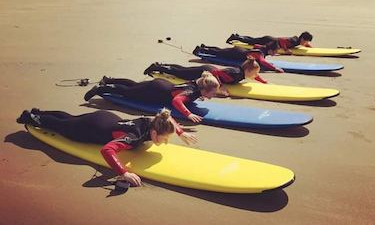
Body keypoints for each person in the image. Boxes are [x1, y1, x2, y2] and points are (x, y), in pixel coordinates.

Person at [17, 108, 197, 187]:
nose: (165, 143)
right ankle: (30, 117)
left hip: (106, 117)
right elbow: (107, 150)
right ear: (155, 134)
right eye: (165, 139)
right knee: (63, 127)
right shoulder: (134, 137)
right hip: (92, 129)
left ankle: (39, 111)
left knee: (71, 118)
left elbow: (168, 119)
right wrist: (123, 172)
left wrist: (181, 132)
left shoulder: (154, 120)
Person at [84, 73, 220, 123]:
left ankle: (109, 79)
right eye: (213, 93)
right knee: (128, 93)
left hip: (162, 84)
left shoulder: (199, 82)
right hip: (155, 91)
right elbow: (176, 101)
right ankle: (101, 89)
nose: (213, 96)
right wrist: (188, 114)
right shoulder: (192, 92)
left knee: (135, 85)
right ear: (204, 90)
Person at [143, 59, 266, 97]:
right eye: (255, 74)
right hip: (205, 71)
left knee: (183, 70)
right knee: (181, 73)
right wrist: (221, 88)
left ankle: (161, 66)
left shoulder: (243, 72)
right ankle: (158, 67)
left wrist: (263, 81)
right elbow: (217, 73)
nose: (255, 76)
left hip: (208, 70)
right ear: (248, 70)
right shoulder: (236, 74)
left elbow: (255, 76)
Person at [193, 42, 284, 73]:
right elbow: (263, 62)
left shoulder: (262, 48)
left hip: (240, 50)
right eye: (275, 51)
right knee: (219, 53)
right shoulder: (261, 53)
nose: (275, 53)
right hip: (236, 53)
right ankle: (200, 50)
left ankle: (205, 47)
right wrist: (275, 68)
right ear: (270, 50)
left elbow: (256, 45)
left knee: (220, 51)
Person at [226, 31, 313, 54]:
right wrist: (286, 50)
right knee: (251, 42)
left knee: (253, 40)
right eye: (306, 41)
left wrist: (309, 46)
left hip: (270, 39)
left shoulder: (297, 40)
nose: (306, 43)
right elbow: (282, 40)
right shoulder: (294, 41)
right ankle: (236, 37)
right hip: (269, 40)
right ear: (302, 39)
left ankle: (238, 36)